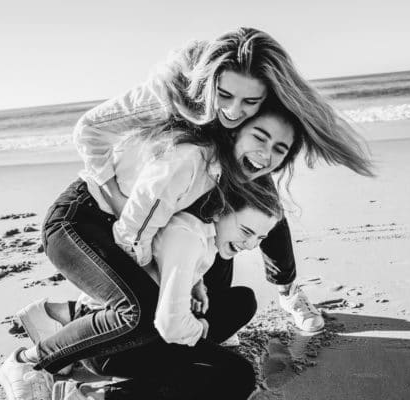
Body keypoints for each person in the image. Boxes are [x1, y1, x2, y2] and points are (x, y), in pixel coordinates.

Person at [74, 26, 373, 333]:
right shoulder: (166, 95)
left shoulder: (261, 97)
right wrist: (115, 197)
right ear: (209, 82)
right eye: (225, 95)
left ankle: (288, 291)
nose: (233, 111)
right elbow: (88, 129)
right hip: (177, 168)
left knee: (265, 210)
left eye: (249, 102)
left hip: (229, 158)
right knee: (200, 225)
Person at [0, 99, 296, 400]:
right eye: (247, 232)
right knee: (234, 374)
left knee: (242, 302)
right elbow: (159, 302)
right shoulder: (188, 217)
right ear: (223, 208)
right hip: (119, 338)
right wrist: (198, 331)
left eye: (259, 238)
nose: (250, 245)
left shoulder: (203, 229)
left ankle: (83, 366)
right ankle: (48, 365)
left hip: (144, 332)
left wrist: (192, 284)